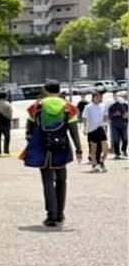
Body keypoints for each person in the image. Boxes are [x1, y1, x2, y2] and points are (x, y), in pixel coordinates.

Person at [22, 80, 82, 226]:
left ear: (45, 90)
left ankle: (51, 215)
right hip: (61, 147)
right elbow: (74, 131)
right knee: (61, 179)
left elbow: (29, 129)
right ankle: (60, 213)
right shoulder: (68, 107)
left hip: (43, 148)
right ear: (59, 90)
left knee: (47, 181)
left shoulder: (37, 106)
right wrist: (78, 149)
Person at [82, 90, 109, 172]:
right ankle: (94, 165)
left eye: (100, 97)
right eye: (97, 97)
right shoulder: (88, 107)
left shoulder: (103, 106)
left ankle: (101, 162)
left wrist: (106, 126)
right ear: (93, 98)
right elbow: (84, 117)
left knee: (106, 149)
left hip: (100, 128)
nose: (99, 98)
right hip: (92, 130)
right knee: (93, 149)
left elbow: (105, 117)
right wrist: (85, 128)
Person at [107, 92, 128, 159]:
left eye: (119, 96)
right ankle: (117, 154)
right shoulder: (111, 106)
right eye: (115, 96)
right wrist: (114, 114)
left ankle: (123, 150)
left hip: (123, 125)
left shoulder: (125, 105)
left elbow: (127, 114)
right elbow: (109, 116)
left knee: (125, 139)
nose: (117, 98)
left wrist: (125, 115)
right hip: (114, 125)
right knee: (116, 140)